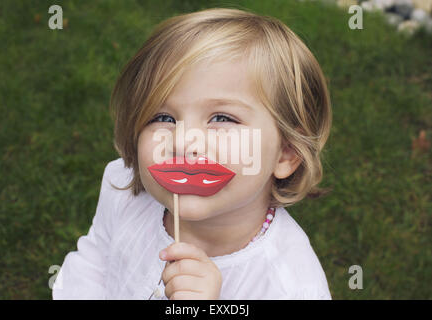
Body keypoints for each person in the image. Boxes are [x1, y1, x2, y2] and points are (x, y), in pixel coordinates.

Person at [53, 7, 333, 300]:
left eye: (222, 119)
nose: (183, 142)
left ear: (285, 153)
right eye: (163, 117)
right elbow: (94, 262)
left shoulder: (290, 285)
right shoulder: (122, 189)